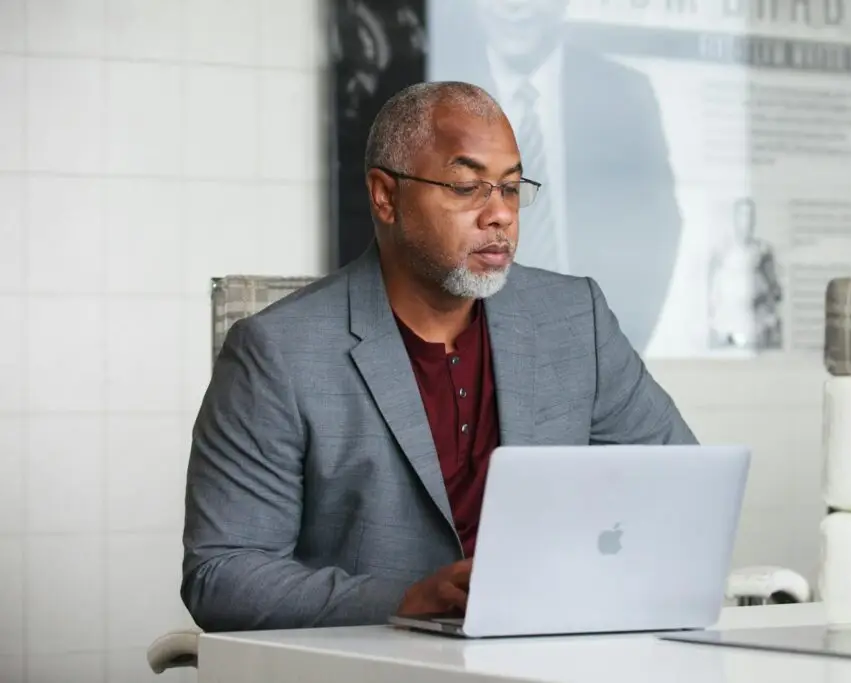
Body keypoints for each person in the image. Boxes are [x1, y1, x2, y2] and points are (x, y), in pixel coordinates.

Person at [181, 81, 698, 632]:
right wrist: (406, 600)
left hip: (551, 647)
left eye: (511, 187)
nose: (499, 214)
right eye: (466, 187)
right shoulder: (278, 352)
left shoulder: (574, 318)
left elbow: (681, 486)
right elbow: (223, 575)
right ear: (385, 195)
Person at [427, 0, 683, 355]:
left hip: (586, 356)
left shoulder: (624, 95)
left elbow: (657, 232)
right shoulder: (429, 100)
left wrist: (615, 354)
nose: (515, 7)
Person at [708, 199, 782, 350]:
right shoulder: (722, 252)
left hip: (755, 331)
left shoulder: (763, 252)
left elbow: (775, 291)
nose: (746, 221)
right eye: (742, 215)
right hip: (727, 329)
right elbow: (712, 294)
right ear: (735, 218)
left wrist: (769, 315)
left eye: (750, 216)